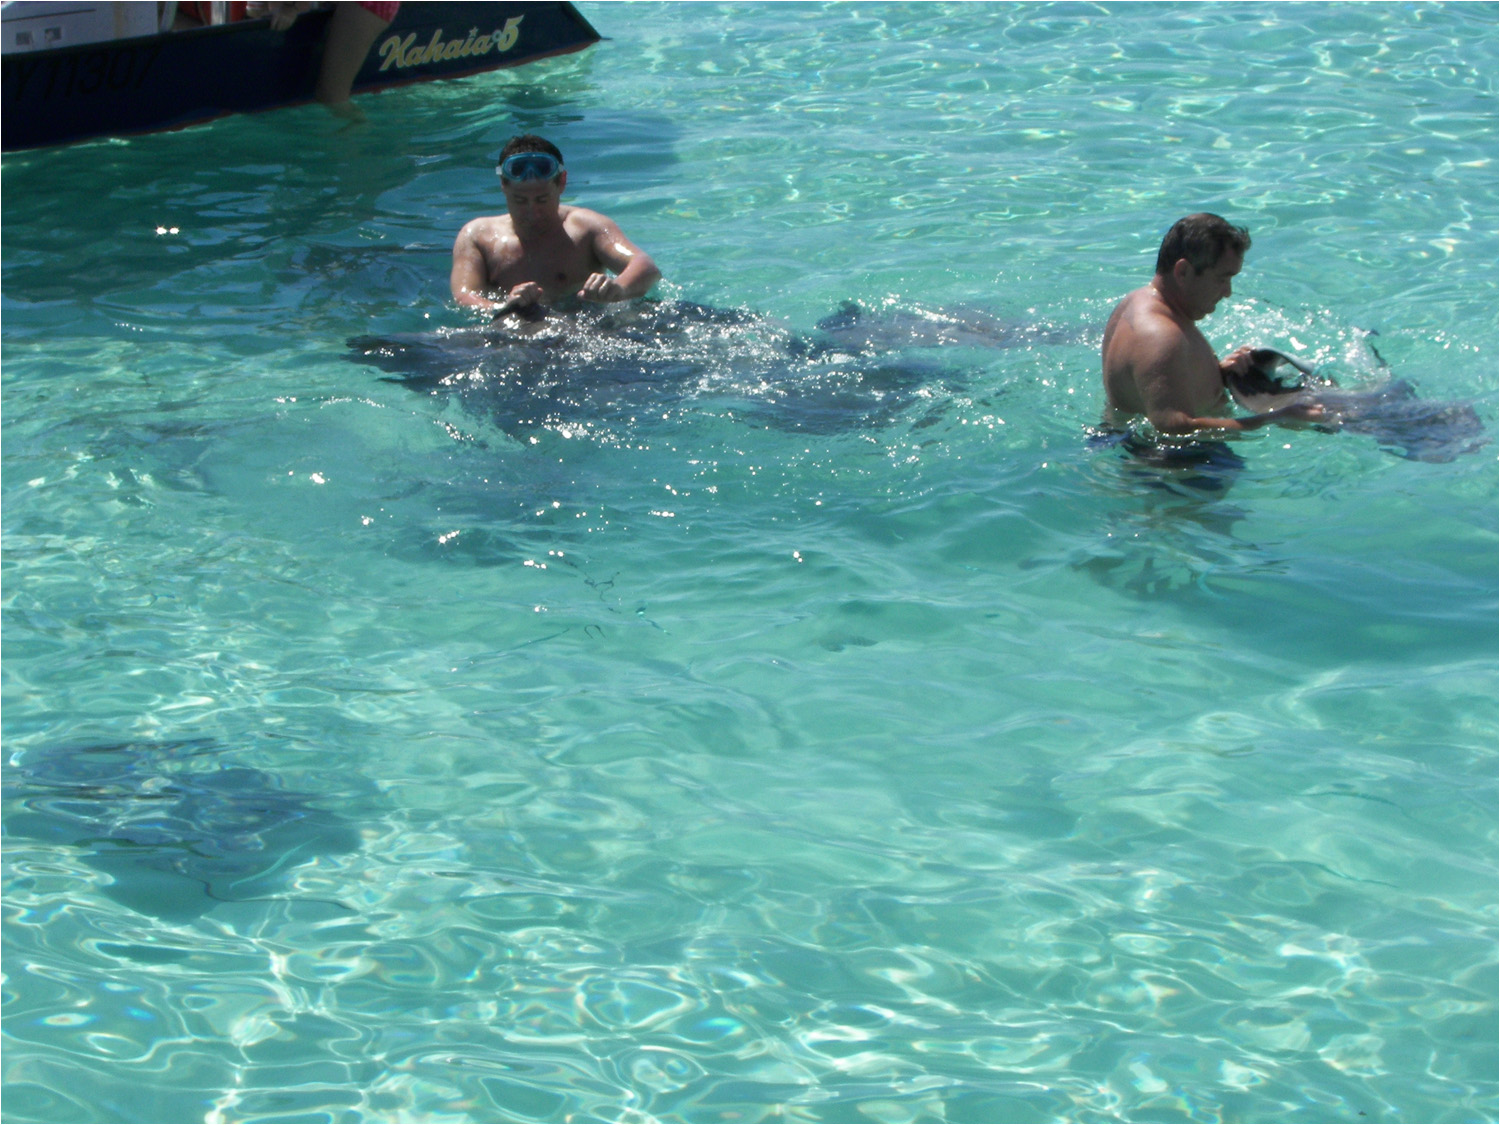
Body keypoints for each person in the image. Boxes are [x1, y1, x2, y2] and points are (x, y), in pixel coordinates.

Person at [1101, 213, 1321, 435]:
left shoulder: (1138, 302)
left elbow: (1159, 385)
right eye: (1221, 279)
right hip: (1168, 463)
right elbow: (1171, 426)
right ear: (1183, 271)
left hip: (1131, 445)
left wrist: (1217, 373)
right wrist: (1275, 418)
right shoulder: (1160, 335)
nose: (1227, 292)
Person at [450, 135, 661, 319]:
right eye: (520, 201)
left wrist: (618, 289)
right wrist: (502, 306)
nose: (532, 212)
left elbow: (646, 267)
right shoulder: (477, 236)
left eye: (542, 200)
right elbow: (464, 296)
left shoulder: (586, 227)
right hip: (516, 332)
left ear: (561, 183)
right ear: (503, 185)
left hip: (584, 327)